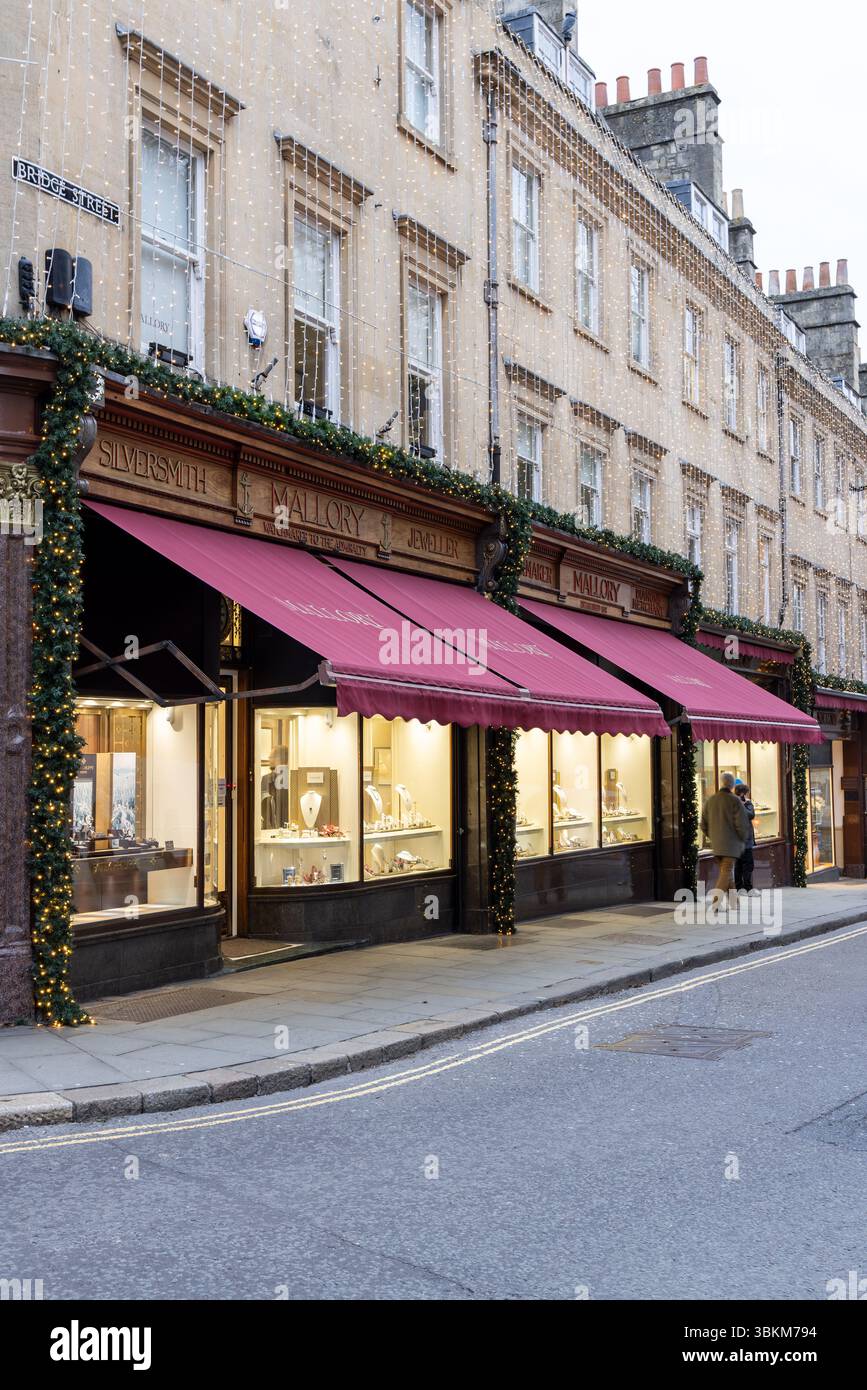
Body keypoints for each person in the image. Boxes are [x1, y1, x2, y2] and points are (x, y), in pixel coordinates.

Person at [700, 771, 751, 898]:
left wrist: (713, 836)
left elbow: (703, 824)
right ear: (732, 785)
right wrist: (742, 840)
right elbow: (742, 824)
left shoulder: (711, 800)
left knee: (727, 872)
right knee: (726, 872)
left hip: (717, 845)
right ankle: (716, 901)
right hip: (731, 845)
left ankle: (734, 902)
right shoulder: (734, 800)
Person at [734, 781, 756, 892]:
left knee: (744, 865)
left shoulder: (745, 803)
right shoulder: (736, 804)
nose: (746, 796)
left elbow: (751, 815)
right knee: (742, 865)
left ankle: (744, 887)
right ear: (742, 793)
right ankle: (742, 887)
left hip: (742, 841)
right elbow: (750, 815)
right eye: (745, 793)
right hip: (740, 841)